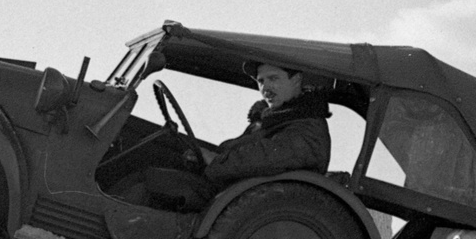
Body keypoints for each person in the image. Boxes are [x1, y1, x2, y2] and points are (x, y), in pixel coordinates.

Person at [139, 62, 332, 212]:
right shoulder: (272, 121)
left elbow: (266, 157)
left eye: (273, 78)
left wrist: (216, 160)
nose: (266, 88)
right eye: (261, 81)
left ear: (296, 80)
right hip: (231, 194)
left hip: (249, 208)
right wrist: (206, 156)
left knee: (146, 183)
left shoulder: (308, 128)